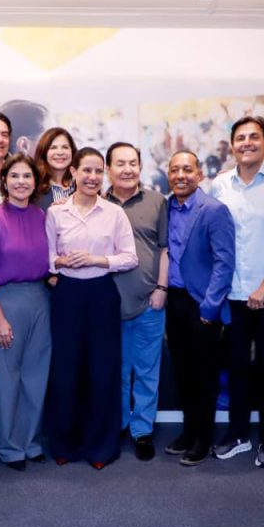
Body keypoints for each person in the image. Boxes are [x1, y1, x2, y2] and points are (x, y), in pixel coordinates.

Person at [210, 116, 264, 468]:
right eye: (241, 138)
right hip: (233, 294)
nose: (247, 142)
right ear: (233, 145)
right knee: (236, 368)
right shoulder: (220, 185)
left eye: (254, 137)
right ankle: (238, 434)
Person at [45, 147, 138, 468]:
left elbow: (130, 257)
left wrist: (96, 259)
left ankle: (101, 448)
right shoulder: (56, 213)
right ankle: (64, 444)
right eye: (86, 170)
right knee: (65, 370)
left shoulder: (114, 213)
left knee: (102, 371)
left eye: (99, 171)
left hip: (101, 294)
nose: (93, 177)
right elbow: (47, 257)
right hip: (66, 295)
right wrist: (60, 262)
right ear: (73, 172)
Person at [0, 153, 51, 470]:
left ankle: (31, 442)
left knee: (36, 376)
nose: (21, 182)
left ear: (36, 182)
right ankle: (9, 446)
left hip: (40, 299)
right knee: (8, 378)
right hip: (4, 301)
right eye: (14, 176)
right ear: (4, 181)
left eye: (27, 176)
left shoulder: (41, 216)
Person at [162, 150, 236, 467]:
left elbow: (224, 262)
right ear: (168, 174)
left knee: (204, 375)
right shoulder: (166, 208)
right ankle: (189, 431)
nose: (181, 175)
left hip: (202, 304)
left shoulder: (214, 210)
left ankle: (203, 438)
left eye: (187, 169)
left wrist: (210, 307)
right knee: (182, 372)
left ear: (199, 174)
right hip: (174, 302)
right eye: (175, 170)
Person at [105, 142, 170, 461]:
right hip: (107, 305)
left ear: (140, 167)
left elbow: (165, 249)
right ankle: (117, 425)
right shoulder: (97, 204)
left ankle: (142, 431)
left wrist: (162, 288)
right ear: (108, 169)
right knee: (116, 370)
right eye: (120, 163)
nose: (127, 169)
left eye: (133, 163)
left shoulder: (157, 201)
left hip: (149, 302)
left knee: (147, 370)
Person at [33, 127, 76, 210]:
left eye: (65, 147)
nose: (60, 152)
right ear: (44, 152)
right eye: (53, 148)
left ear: (72, 151)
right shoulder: (34, 188)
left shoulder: (83, 185)